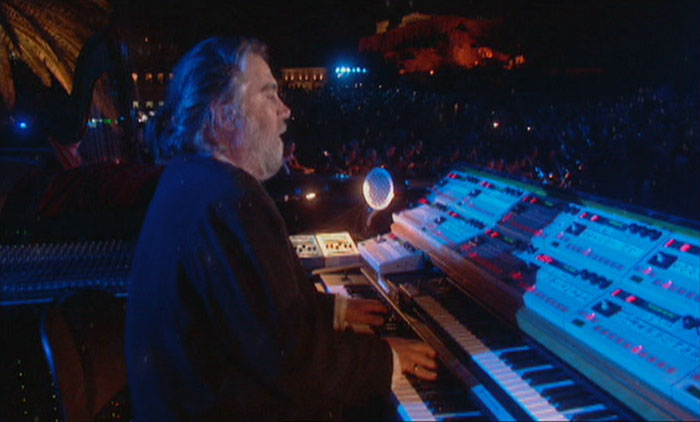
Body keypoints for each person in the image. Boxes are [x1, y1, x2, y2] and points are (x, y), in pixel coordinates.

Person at [125, 37, 437, 421]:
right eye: (269, 94)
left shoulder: (191, 180)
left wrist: (336, 311)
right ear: (225, 115)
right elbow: (291, 361)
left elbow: (254, 314)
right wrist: (386, 360)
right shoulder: (229, 199)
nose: (285, 110)